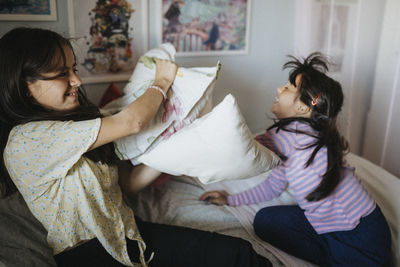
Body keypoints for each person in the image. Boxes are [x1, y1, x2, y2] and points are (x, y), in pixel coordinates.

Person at [0, 27, 272, 267]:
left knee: (239, 253)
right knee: (237, 256)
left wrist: (175, 146)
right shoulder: (27, 139)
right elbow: (132, 122)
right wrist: (161, 82)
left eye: (74, 69)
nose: (77, 81)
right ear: (25, 86)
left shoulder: (77, 126)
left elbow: (128, 185)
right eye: (62, 73)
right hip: (93, 254)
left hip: (130, 234)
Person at [200, 53, 392, 266]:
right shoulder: (296, 139)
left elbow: (242, 147)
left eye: (289, 88)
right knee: (265, 220)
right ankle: (335, 257)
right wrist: (231, 199)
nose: (279, 89)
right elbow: (274, 186)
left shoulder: (289, 136)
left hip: (359, 235)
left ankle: (338, 258)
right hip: (341, 228)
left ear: (303, 108)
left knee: (268, 223)